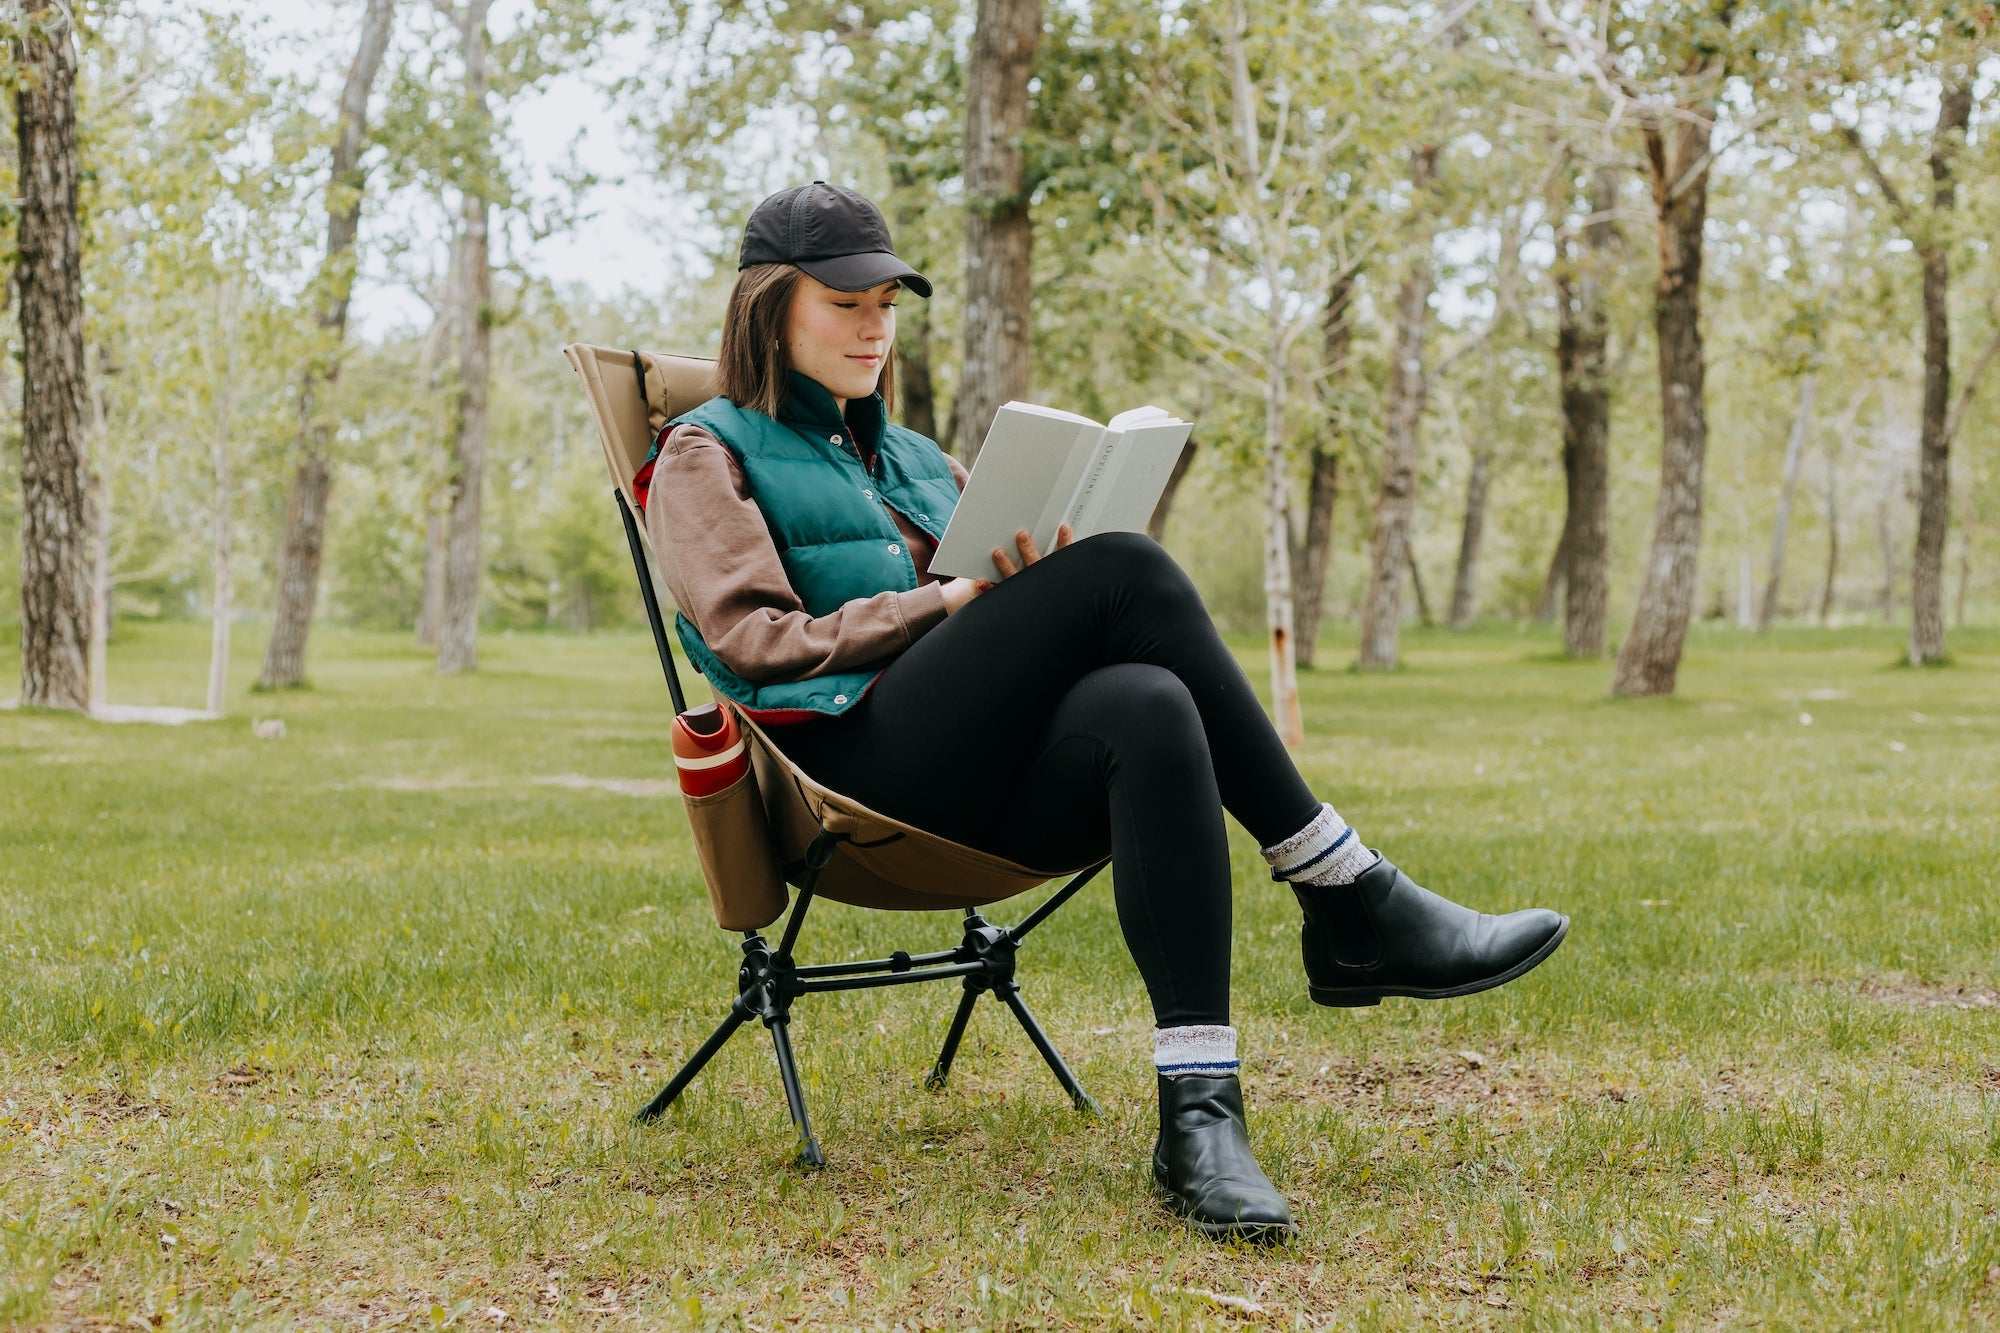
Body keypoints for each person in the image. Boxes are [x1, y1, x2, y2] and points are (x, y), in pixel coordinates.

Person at [638, 180, 1569, 1244]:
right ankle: (1343, 890)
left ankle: (1200, 1121)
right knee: (1125, 569)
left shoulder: (909, 456)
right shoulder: (708, 451)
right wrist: (944, 601)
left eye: (888, 305)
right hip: (851, 766)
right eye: (845, 303)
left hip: (975, 769)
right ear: (769, 307)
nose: (874, 328)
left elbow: (992, 605)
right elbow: (752, 645)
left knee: (1147, 700)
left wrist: (1028, 579)